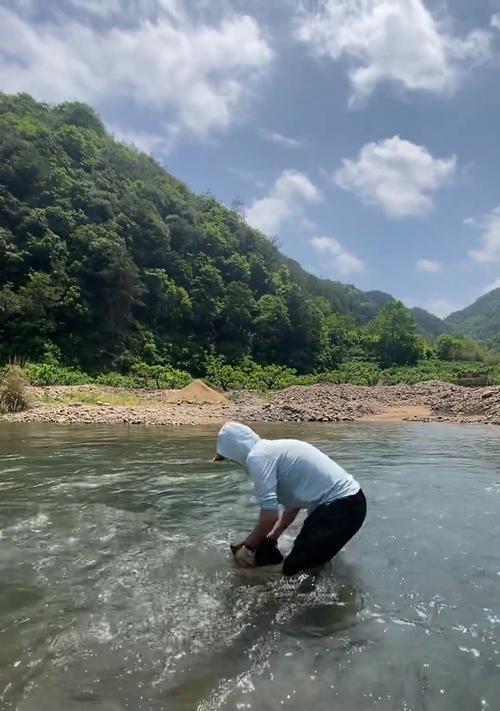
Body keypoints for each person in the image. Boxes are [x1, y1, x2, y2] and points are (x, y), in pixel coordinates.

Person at [213, 422, 366, 576]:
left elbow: (269, 516)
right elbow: (293, 506)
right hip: (352, 505)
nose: (233, 462)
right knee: (312, 564)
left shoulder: (257, 457)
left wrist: (249, 548)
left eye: (230, 458)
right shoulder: (272, 450)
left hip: (340, 507)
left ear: (235, 450)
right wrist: (273, 536)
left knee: (294, 570)